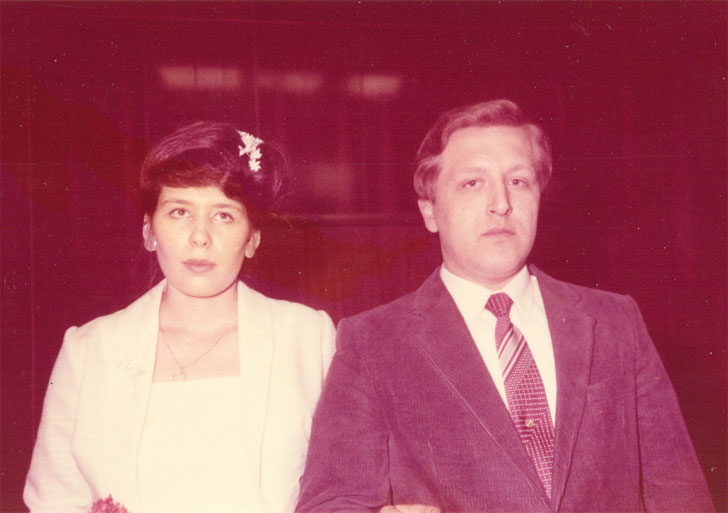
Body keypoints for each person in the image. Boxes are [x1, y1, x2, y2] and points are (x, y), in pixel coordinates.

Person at [295, 100, 715, 513]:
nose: (501, 203)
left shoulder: (615, 321)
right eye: (472, 183)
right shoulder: (372, 342)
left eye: (518, 181)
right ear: (430, 211)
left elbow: (679, 492)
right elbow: (329, 503)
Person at [24, 122, 336, 513]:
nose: (200, 236)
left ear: (252, 238)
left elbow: (344, 489)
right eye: (179, 212)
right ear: (149, 231)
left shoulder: (308, 338)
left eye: (224, 215)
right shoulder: (89, 350)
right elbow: (54, 501)